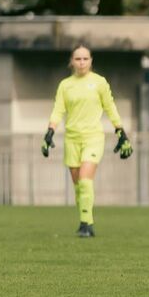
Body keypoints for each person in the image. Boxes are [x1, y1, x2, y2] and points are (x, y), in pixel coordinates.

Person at [41, 43, 132, 237]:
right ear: (71, 62)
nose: (82, 62)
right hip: (72, 139)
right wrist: (49, 132)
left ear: (91, 61)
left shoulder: (99, 82)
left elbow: (110, 107)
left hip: (93, 137)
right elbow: (58, 110)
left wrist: (120, 131)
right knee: (78, 187)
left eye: (85, 58)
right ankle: (85, 221)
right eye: (78, 59)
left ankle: (86, 225)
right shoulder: (65, 85)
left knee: (84, 180)